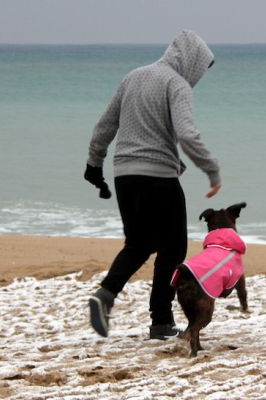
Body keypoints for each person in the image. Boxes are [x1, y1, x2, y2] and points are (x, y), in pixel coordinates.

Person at [84, 30, 221, 340]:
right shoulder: (178, 84)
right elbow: (186, 133)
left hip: (125, 177)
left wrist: (94, 163)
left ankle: (105, 294)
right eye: (200, 68)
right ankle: (160, 320)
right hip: (159, 178)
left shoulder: (132, 77)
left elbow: (104, 126)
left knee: (139, 244)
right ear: (191, 61)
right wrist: (211, 169)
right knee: (173, 248)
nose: (198, 76)